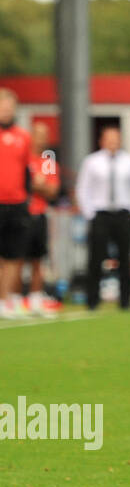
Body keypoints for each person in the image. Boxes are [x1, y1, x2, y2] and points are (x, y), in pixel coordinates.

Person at [76, 126, 130, 310]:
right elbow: (83, 188)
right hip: (100, 214)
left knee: (124, 258)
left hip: (123, 214)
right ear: (102, 141)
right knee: (96, 258)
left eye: (116, 139)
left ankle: (125, 300)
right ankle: (92, 300)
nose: (112, 142)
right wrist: (90, 213)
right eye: (109, 139)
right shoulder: (92, 162)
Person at [23, 123, 61, 316]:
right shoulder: (22, 157)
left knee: (38, 260)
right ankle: (11, 298)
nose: (42, 139)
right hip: (20, 213)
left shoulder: (48, 160)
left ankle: (35, 298)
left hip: (39, 214)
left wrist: (36, 185)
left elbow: (52, 191)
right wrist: (34, 183)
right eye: (38, 135)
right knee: (14, 258)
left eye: (45, 135)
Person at [0, 89, 32, 318]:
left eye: (9, 107)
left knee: (14, 255)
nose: (6, 111)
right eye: (2, 107)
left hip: (18, 204)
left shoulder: (24, 136)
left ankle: (5, 300)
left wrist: (27, 198)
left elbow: (27, 171)